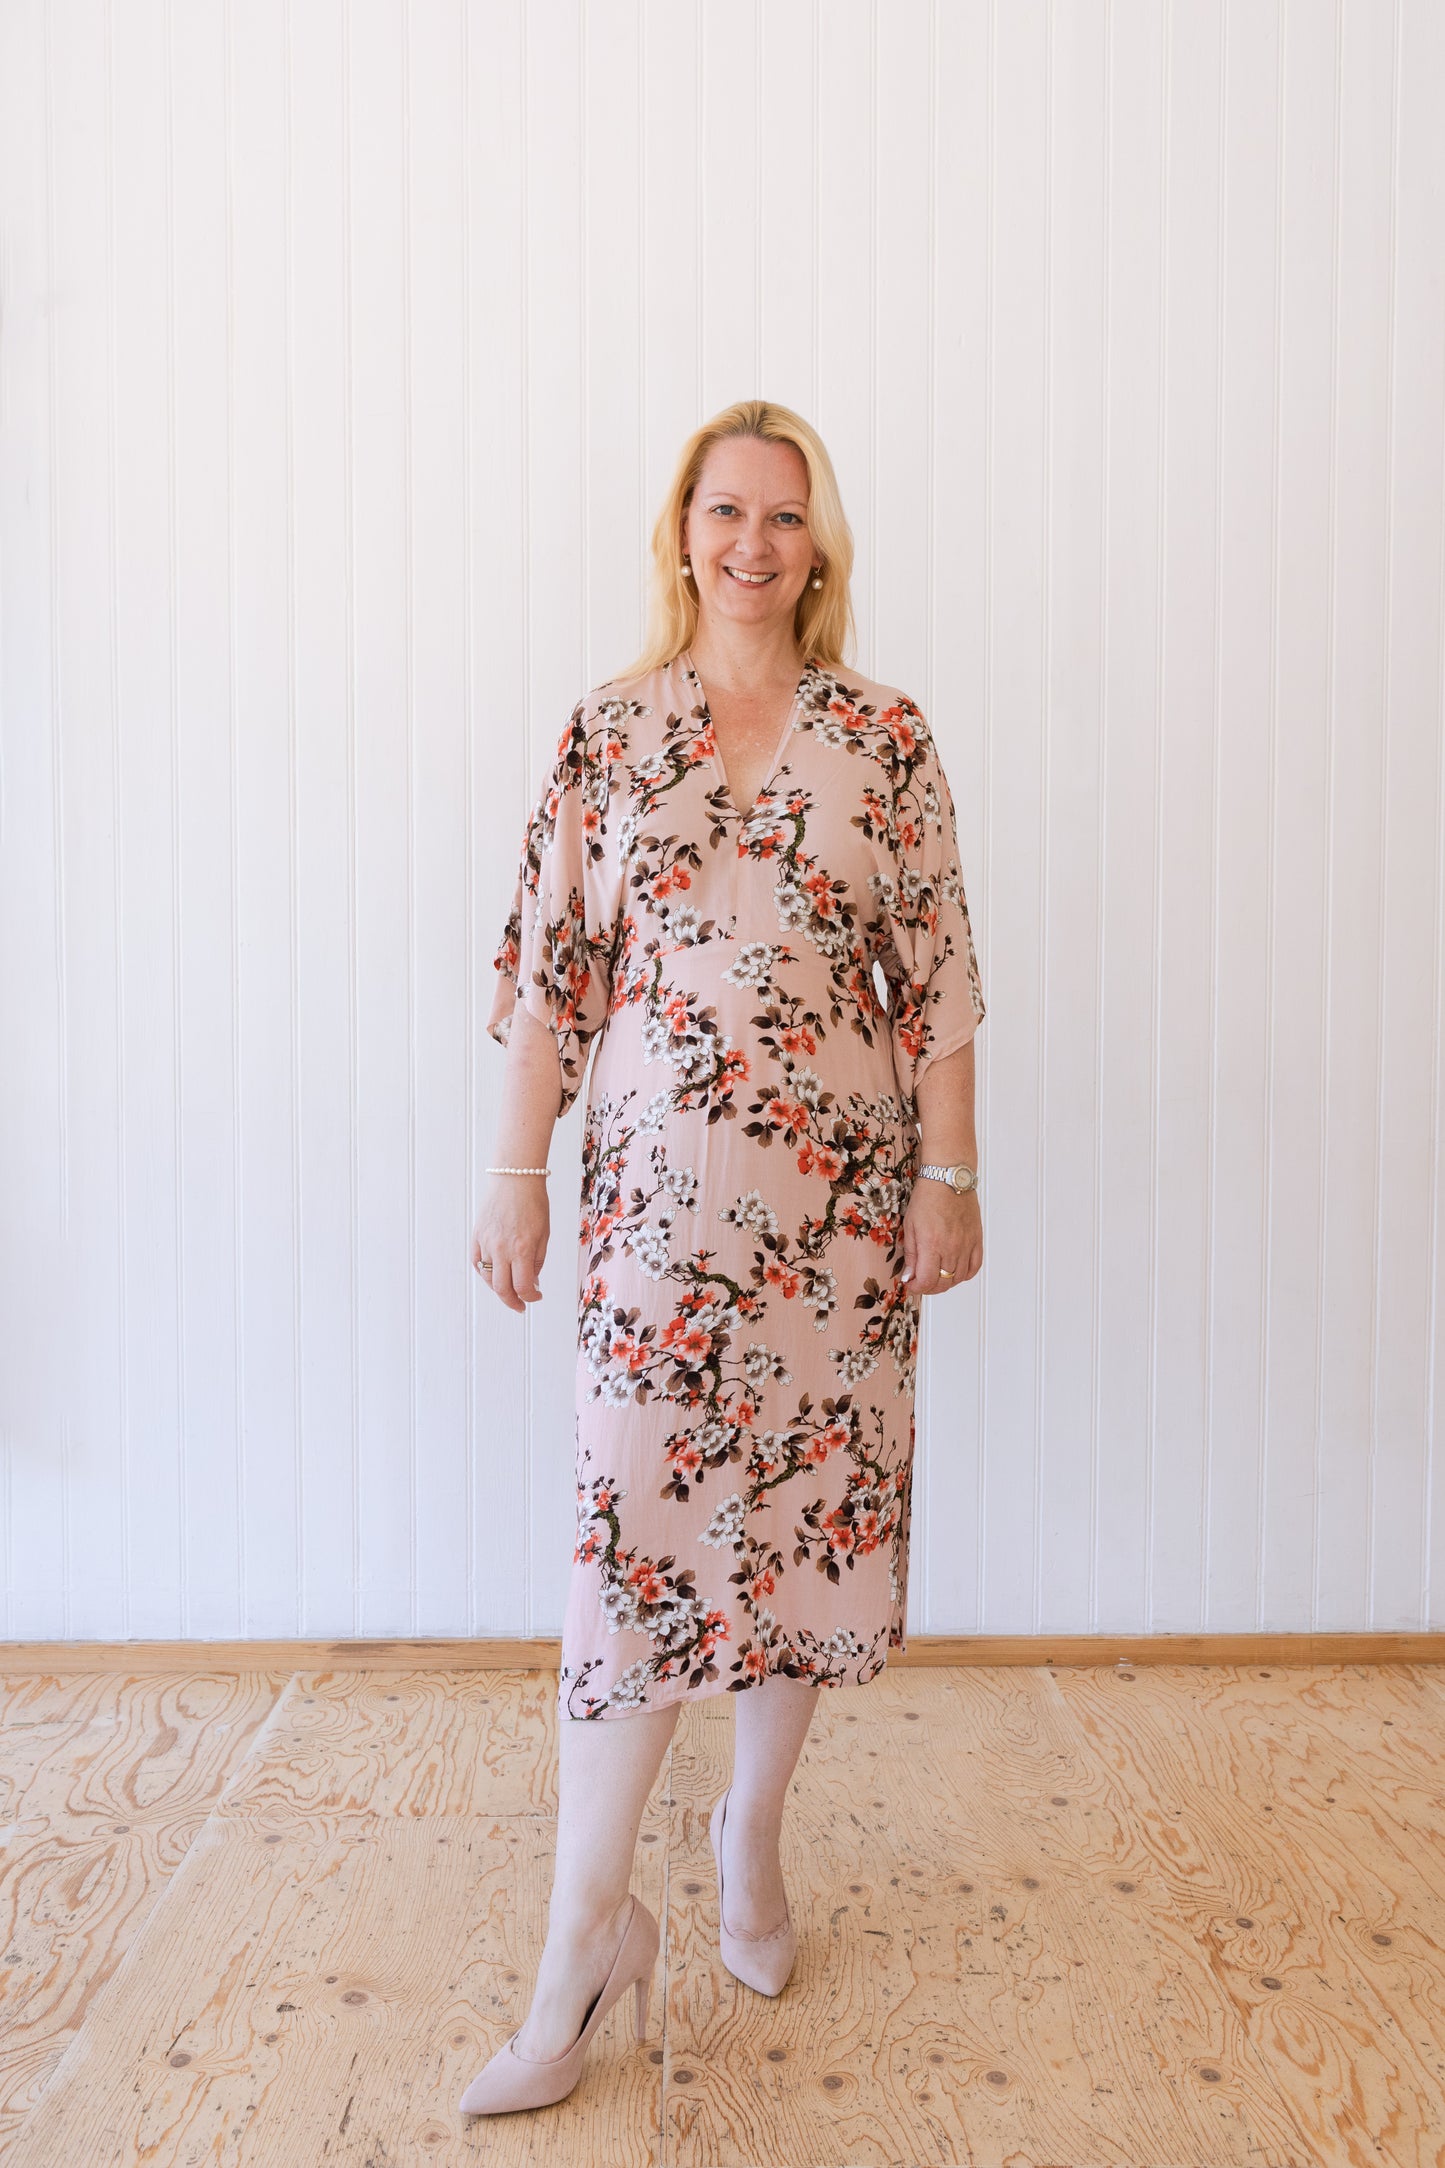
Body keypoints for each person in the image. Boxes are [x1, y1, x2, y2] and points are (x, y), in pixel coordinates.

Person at [460, 398, 985, 2115]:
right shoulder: (607, 735)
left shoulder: (884, 736)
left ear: (819, 543)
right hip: (653, 1224)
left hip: (839, 1216)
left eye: (784, 515)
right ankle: (580, 1950)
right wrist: (513, 1173)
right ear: (680, 530)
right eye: (723, 510)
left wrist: (950, 1176)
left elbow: (942, 984)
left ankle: (749, 1830)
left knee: (798, 1541)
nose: (752, 541)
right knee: (632, 1555)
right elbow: (550, 981)